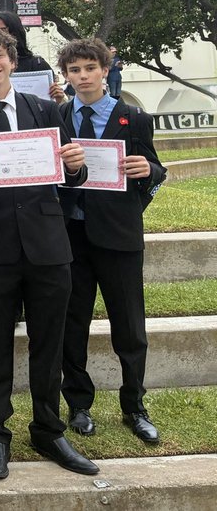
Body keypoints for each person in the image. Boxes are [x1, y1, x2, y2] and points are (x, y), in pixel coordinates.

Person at [0, 26, 95, 479]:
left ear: (12, 60)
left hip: (48, 244)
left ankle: (49, 429)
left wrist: (76, 167)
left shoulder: (46, 109)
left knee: (50, 342)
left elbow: (71, 179)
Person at [56, 39, 166, 445]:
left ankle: (135, 405)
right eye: (74, 70)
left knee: (129, 325)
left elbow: (156, 170)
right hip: (70, 235)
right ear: (65, 75)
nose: (82, 76)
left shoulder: (133, 118)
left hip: (118, 236)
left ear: (106, 69)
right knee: (73, 322)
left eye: (89, 68)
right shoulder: (60, 116)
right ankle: (79, 404)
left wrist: (148, 169)